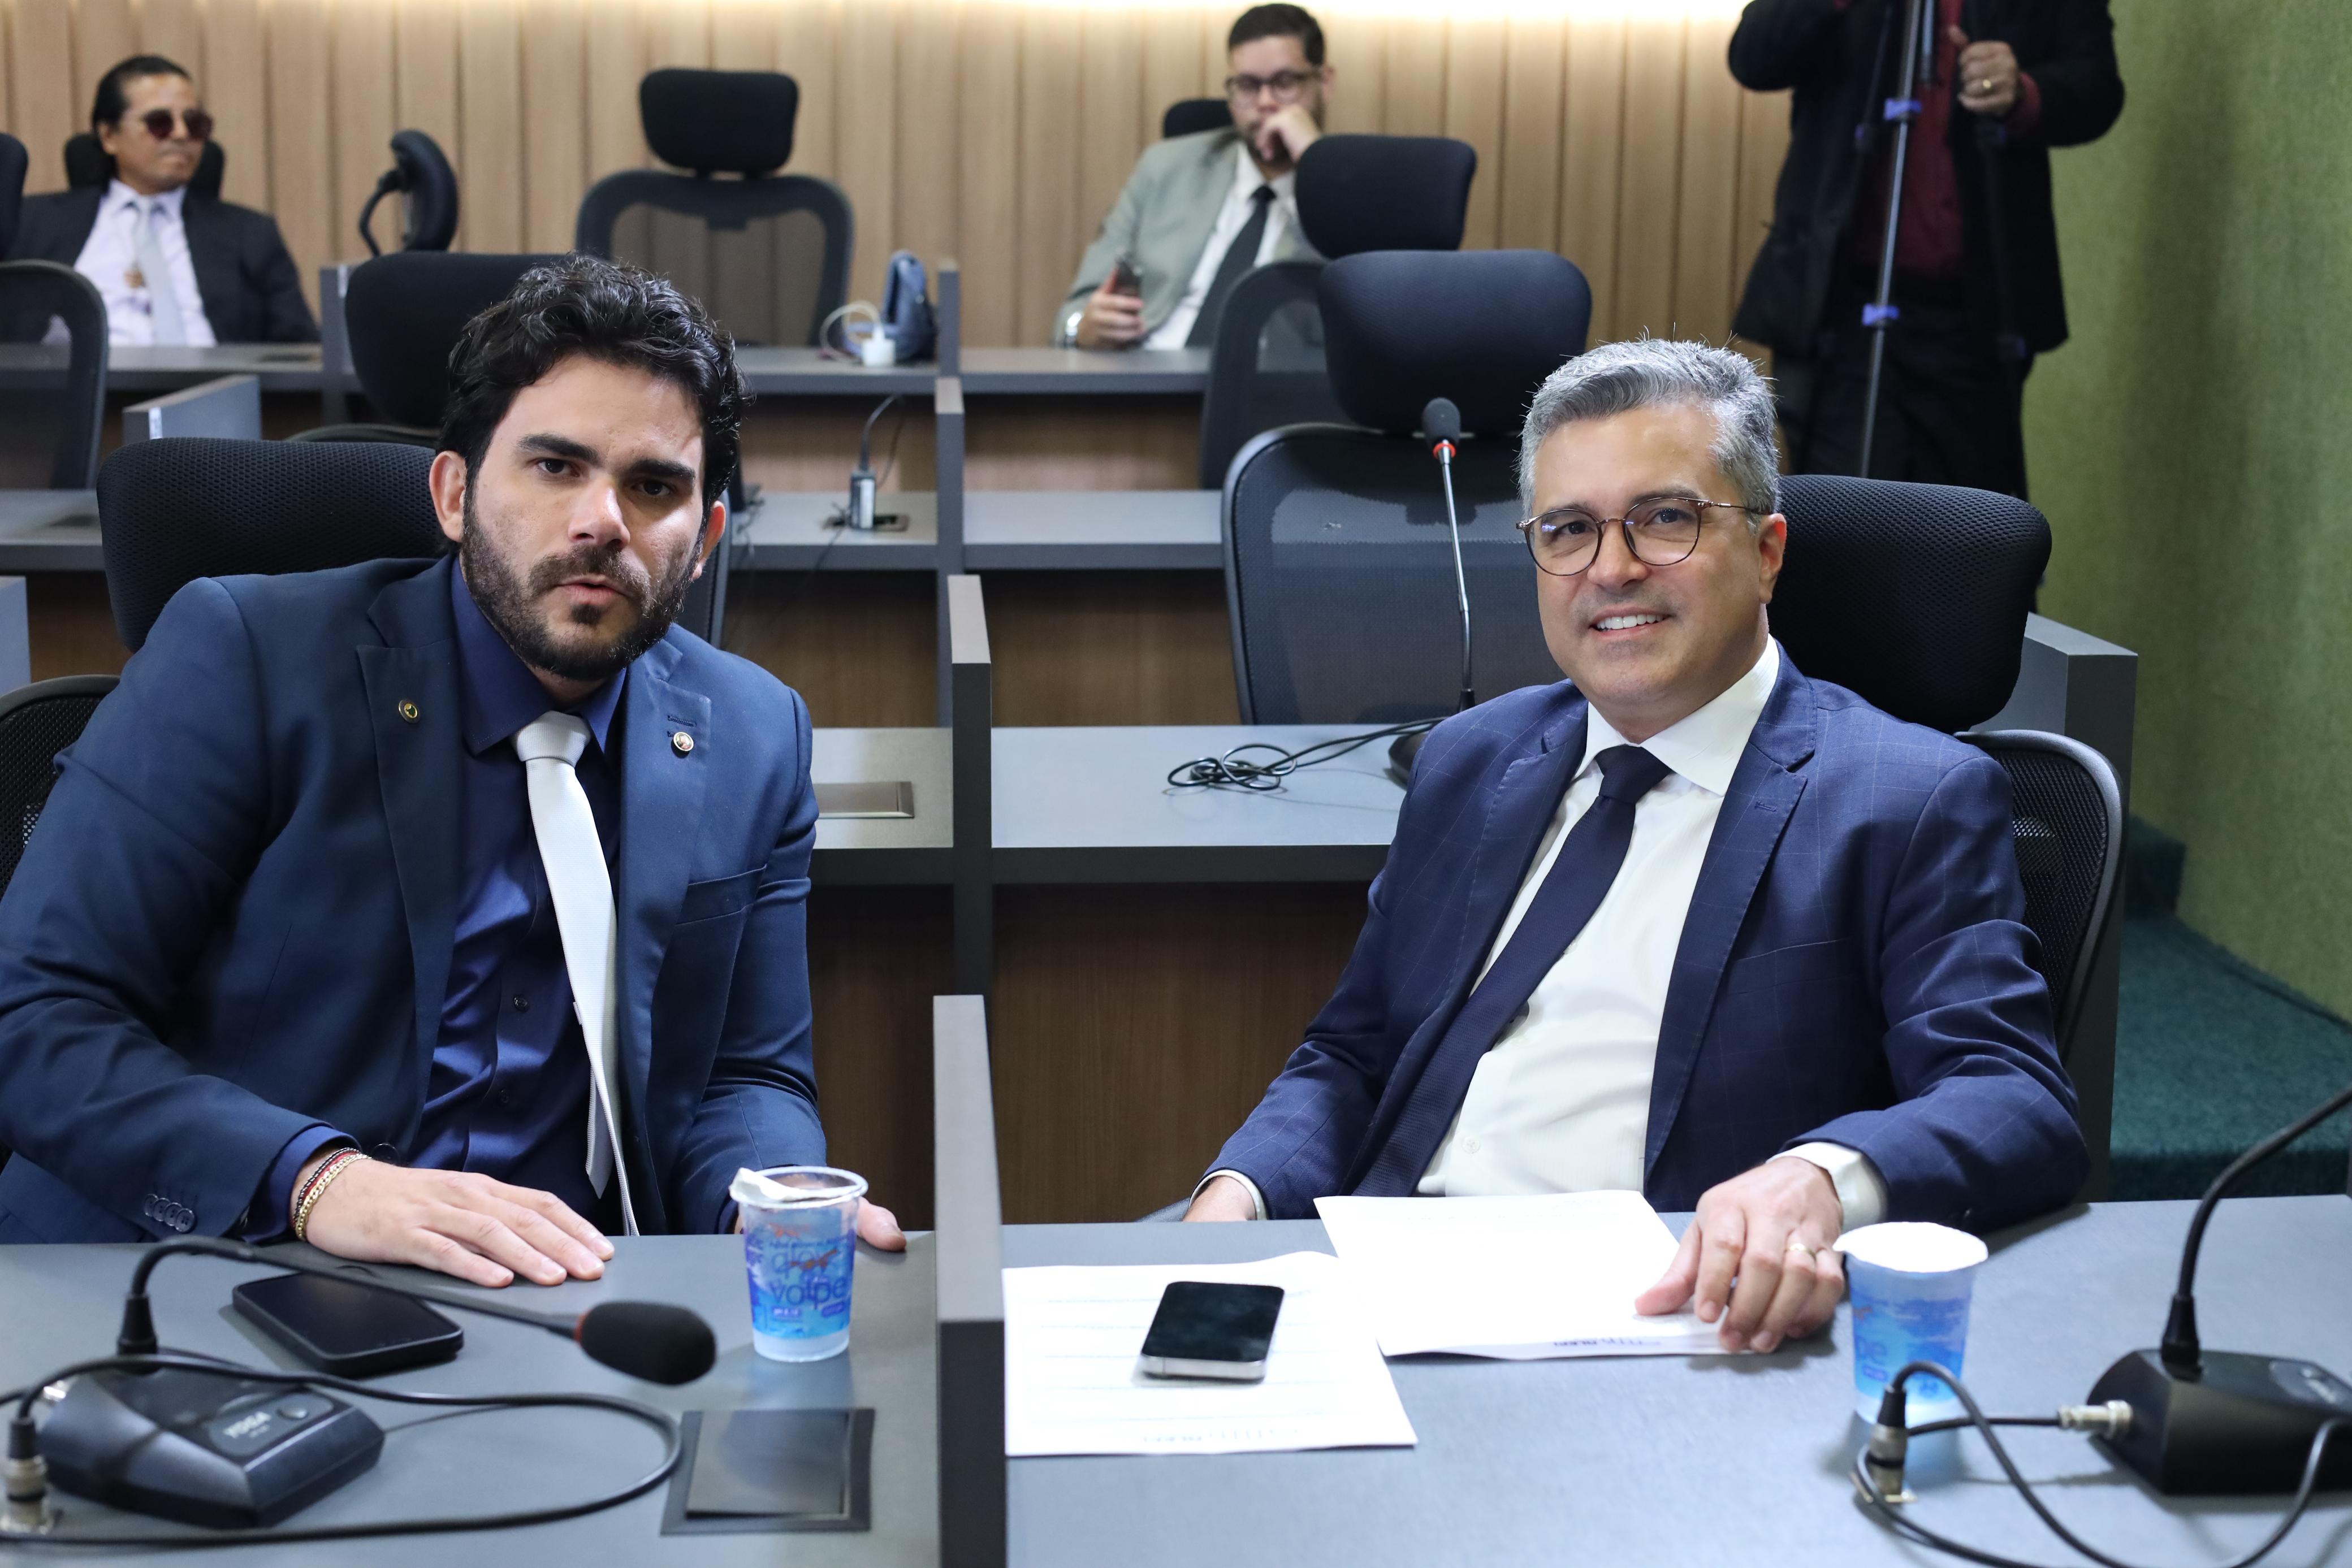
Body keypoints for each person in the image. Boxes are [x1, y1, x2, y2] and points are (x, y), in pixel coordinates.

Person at [0, 255, 902, 1280]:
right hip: (223, 1266)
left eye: (654, 486)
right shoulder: (243, 655)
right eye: (555, 467)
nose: (603, 520)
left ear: (704, 542)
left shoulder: (755, 731)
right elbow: (35, 1014)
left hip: (563, 1290)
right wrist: (312, 1179)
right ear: (454, 494)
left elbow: (746, 1073)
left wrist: (764, 1203)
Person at [1187, 339, 2083, 1355]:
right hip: (1375, 1272)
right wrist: (1242, 1189)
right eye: (1569, 529)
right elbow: (1354, 1051)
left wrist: (1819, 1178)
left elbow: (2012, 1096)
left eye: (1664, 519)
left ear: (1768, 552)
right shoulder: (1472, 759)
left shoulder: (1907, 796)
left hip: (1647, 1322)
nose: (1610, 569)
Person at [1728, 0, 2122, 497]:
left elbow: (2098, 87)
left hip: (1974, 319)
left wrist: (2024, 91)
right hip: (1838, 313)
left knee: (1966, 525)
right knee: (1846, 524)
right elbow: (1753, 57)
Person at [1056, 4, 1330, 351]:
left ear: (1325, 83)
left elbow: (1357, 322)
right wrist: (1081, 327)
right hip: (1146, 372)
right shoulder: (1165, 168)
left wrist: (1317, 165)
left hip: (1271, 380)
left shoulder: (1356, 192)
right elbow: (1073, 313)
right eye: (1247, 86)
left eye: (1285, 83)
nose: (1265, 102)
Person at [6, 54, 315, 344]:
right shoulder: (29, 222)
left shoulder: (251, 234)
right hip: (79, 383)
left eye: (195, 123)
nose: (181, 134)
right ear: (109, 136)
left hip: (213, 383)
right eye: (160, 123)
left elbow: (300, 348)